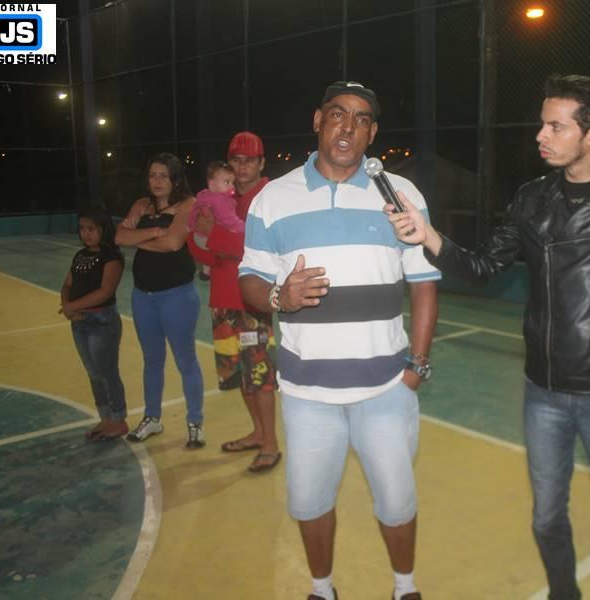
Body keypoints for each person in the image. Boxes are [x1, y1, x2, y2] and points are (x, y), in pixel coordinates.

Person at [387, 74, 590, 600]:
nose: (540, 135)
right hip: (543, 394)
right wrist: (428, 235)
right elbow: (483, 267)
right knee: (547, 519)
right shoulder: (532, 199)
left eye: (555, 126)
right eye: (542, 124)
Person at [238, 81, 439, 600]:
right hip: (307, 392)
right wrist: (280, 296)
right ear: (317, 121)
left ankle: (404, 587)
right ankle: (322, 588)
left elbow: (423, 283)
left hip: (386, 387)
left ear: (373, 132)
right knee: (309, 503)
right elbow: (250, 280)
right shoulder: (273, 198)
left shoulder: (400, 194)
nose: (348, 126)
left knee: (397, 502)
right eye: (337, 114)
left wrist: (416, 366)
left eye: (362, 118)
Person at [188, 131, 281, 472]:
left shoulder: (269, 198)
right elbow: (198, 249)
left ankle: (270, 443)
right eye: (236, 161)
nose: (242, 167)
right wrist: (213, 241)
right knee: (240, 375)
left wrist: (215, 237)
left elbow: (254, 249)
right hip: (222, 300)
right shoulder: (220, 198)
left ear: (261, 163)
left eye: (249, 161)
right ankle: (258, 433)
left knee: (260, 374)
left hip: (252, 303)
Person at [116, 153, 206, 449]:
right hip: (143, 297)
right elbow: (119, 236)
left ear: (175, 180)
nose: (156, 181)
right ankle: (152, 418)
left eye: (163, 176)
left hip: (177, 297)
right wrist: (153, 232)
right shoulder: (142, 205)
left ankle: (195, 422)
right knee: (152, 360)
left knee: (185, 360)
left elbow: (173, 243)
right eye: (153, 175)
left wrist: (138, 238)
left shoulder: (188, 205)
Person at [60, 204, 128, 440]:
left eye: (91, 228)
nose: (86, 233)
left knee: (107, 372)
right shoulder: (80, 256)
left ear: (103, 229)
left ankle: (118, 420)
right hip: (79, 322)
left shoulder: (112, 258)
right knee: (93, 373)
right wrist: (67, 306)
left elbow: (105, 292)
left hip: (102, 322)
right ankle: (105, 417)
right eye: (82, 228)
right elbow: (67, 284)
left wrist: (73, 307)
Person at [190, 161, 240, 281]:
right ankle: (207, 269)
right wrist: (244, 227)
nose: (232, 186)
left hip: (198, 236)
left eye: (233, 182)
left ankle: (206, 271)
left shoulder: (204, 196)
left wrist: (190, 225)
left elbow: (193, 212)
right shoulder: (219, 200)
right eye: (227, 182)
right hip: (206, 239)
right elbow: (229, 220)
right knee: (225, 244)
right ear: (212, 185)